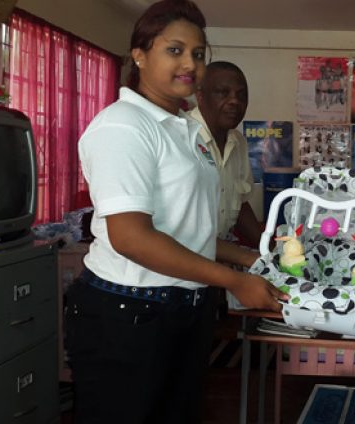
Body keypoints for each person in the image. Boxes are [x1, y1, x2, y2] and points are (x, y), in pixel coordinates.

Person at [64, 1, 287, 423]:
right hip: (128, 315)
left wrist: (251, 257)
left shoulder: (186, 130)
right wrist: (234, 280)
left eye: (198, 53)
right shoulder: (124, 126)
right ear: (140, 55)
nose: (190, 63)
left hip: (185, 308)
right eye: (175, 50)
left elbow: (186, 230)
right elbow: (132, 238)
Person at [191, 61, 262, 246]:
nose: (234, 101)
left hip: (219, 253)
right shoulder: (182, 137)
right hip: (180, 260)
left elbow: (240, 204)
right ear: (200, 96)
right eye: (223, 93)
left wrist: (268, 250)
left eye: (241, 95)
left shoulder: (238, 142)